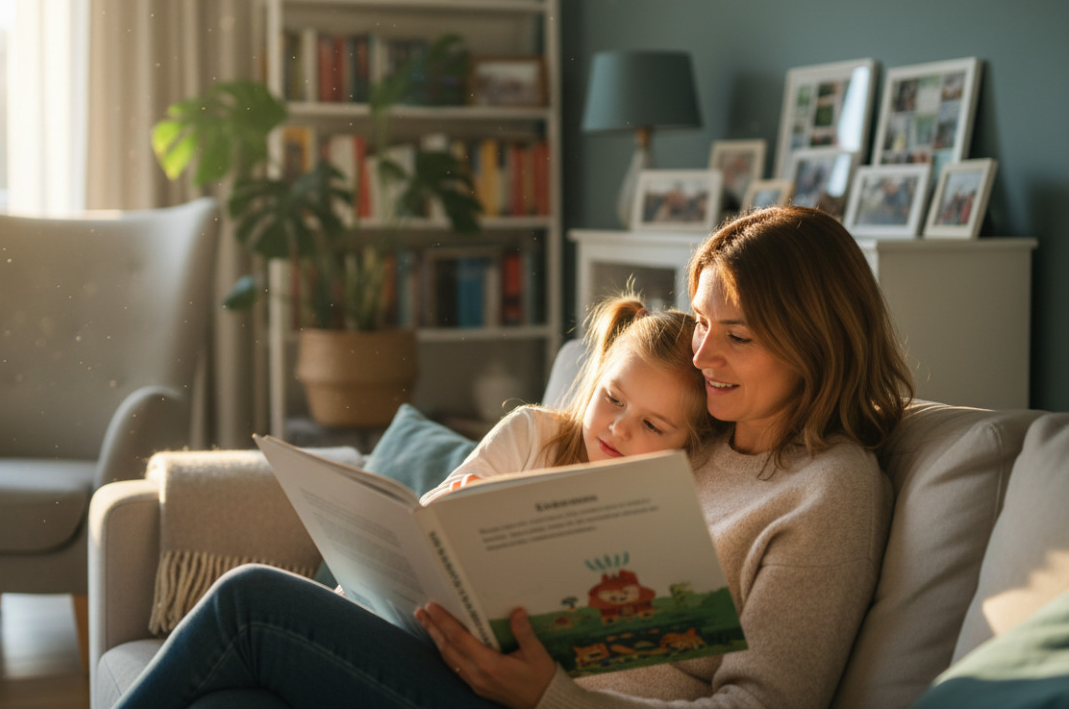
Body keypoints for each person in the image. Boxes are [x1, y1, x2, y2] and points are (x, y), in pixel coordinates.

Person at [113, 205, 914, 709]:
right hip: (478, 671)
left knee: (250, 601)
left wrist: (550, 694)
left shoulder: (829, 491)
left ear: (817, 343)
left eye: (735, 337)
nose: (704, 357)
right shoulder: (701, 436)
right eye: (702, 323)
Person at [424, 293, 713, 503]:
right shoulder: (531, 433)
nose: (619, 429)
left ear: (687, 445)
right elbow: (428, 517)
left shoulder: (671, 499)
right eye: (614, 399)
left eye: (651, 425)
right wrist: (456, 500)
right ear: (598, 376)